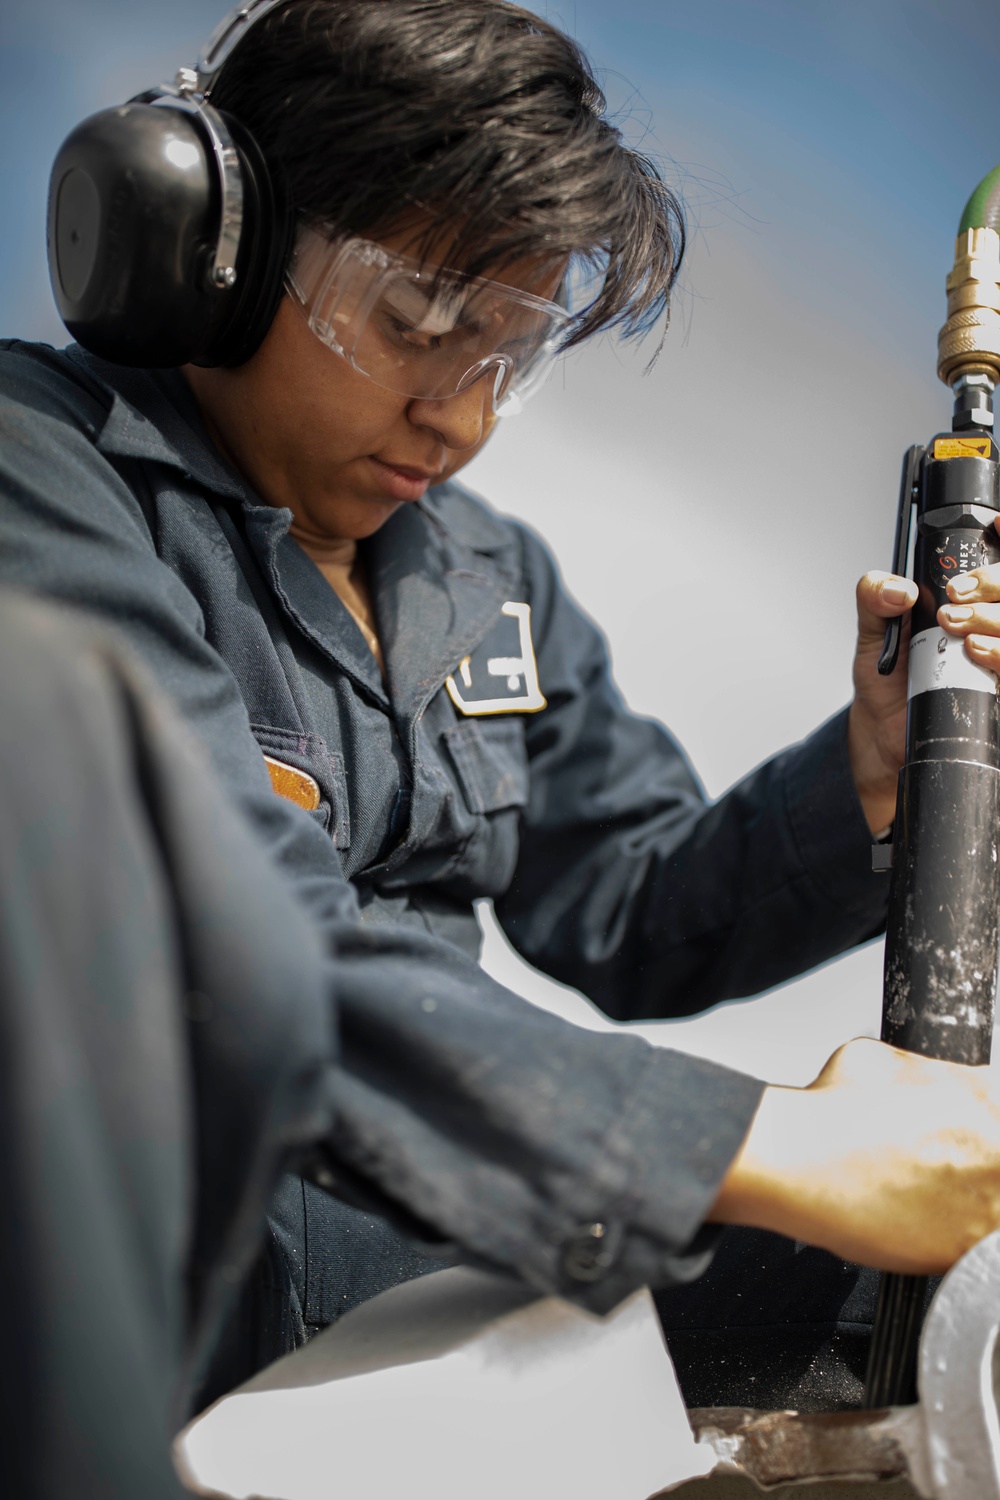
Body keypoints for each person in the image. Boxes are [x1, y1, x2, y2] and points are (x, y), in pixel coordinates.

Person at [5, 0, 1000, 1417]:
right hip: (163, 1319)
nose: (458, 420)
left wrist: (868, 772)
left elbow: (637, 910)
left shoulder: (482, 571)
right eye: (412, 324)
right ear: (210, 247)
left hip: (452, 1266)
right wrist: (780, 1150)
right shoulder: (39, 486)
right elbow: (242, 955)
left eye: (507, 356)